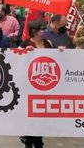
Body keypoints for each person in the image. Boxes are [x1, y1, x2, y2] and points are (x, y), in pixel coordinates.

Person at [18, 19, 59, 148]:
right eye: (42, 29)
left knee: (41, 115)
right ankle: (29, 140)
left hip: (45, 86)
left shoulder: (49, 43)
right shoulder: (25, 44)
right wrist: (25, 54)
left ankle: (38, 140)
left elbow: (55, 59)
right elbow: (17, 62)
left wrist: (61, 51)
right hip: (29, 86)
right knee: (30, 115)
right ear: (34, 31)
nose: (45, 31)